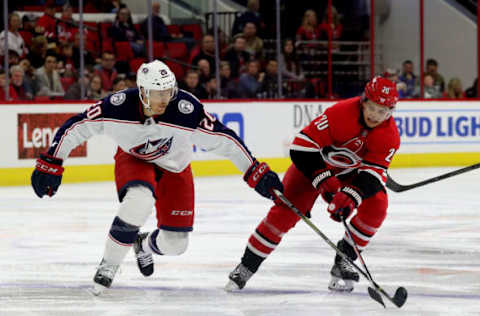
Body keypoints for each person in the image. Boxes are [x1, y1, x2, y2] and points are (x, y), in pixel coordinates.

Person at [30, 60, 283, 295]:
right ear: (142, 92)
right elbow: (77, 126)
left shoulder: (186, 109)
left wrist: (254, 171)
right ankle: (109, 265)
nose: (165, 99)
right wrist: (52, 161)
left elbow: (225, 140)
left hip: (176, 168)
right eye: (158, 94)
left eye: (168, 92)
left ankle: (144, 245)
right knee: (138, 201)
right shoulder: (117, 106)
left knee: (176, 244)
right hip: (134, 160)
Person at [226, 76, 400, 293]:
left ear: (391, 111)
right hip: (312, 167)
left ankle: (344, 260)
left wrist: (349, 197)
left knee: (377, 206)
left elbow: (373, 173)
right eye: (372, 107)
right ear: (364, 101)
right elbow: (301, 147)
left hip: (348, 174)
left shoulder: (390, 136)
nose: (375, 115)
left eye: (382, 111)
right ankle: (246, 266)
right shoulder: (341, 113)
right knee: (283, 213)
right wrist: (324, 180)